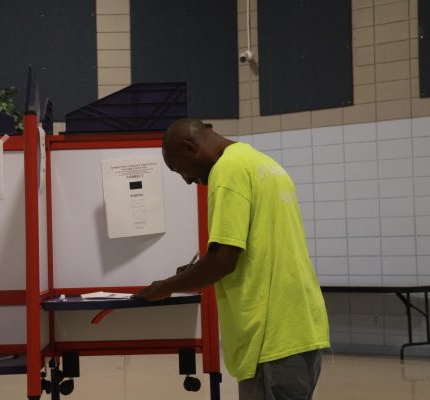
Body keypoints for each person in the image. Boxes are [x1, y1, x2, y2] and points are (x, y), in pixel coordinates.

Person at [135, 118, 330, 400]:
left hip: (270, 336)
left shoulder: (227, 171)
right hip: (299, 327)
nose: (187, 180)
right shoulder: (263, 163)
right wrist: (196, 269)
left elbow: (223, 261)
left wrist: (165, 287)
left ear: (190, 147)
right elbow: (257, 246)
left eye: (179, 169)